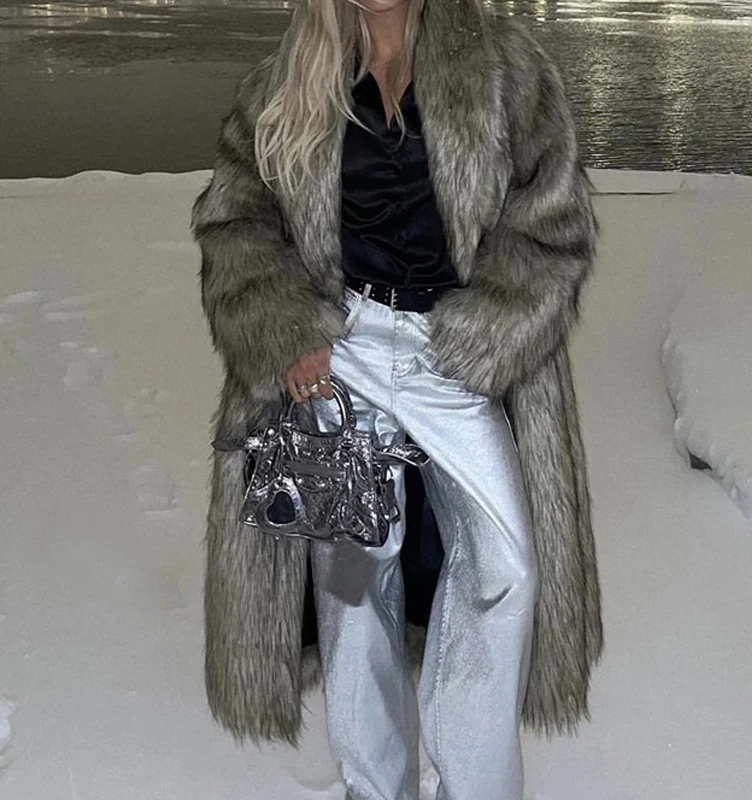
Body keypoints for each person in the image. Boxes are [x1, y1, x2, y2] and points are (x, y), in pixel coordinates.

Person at [190, 1, 603, 799]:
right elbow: (234, 224)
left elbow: (552, 222)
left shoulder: (505, 66)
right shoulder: (288, 80)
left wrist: (488, 330)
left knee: (507, 567)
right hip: (339, 353)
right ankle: (375, 788)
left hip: (454, 353)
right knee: (351, 585)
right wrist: (288, 328)